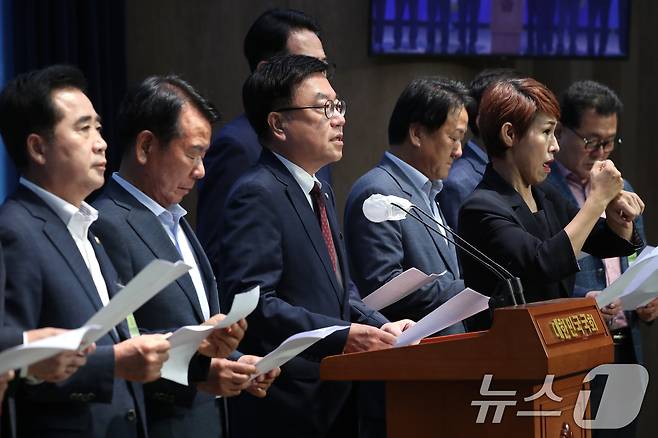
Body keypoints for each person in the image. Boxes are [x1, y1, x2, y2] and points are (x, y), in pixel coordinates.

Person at [218, 54, 413, 438]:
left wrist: (382, 328)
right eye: (324, 108)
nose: (339, 118)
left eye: (338, 106)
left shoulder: (315, 188)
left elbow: (334, 291)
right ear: (278, 123)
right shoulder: (257, 193)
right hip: (287, 403)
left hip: (333, 398)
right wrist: (343, 335)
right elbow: (254, 305)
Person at [92, 75, 279, 437]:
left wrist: (239, 362)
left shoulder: (175, 217)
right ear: (146, 146)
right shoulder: (107, 223)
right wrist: (203, 369)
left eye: (204, 155)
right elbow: (119, 344)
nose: (201, 170)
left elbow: (197, 326)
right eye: (193, 152)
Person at [0, 65, 171, 437]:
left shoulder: (89, 230)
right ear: (37, 147)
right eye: (83, 129)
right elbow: (13, 367)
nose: (101, 142)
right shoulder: (15, 232)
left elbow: (119, 335)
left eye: (98, 127)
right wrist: (111, 364)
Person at [458, 77, 643, 329]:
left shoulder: (545, 193)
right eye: (546, 132)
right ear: (510, 134)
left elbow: (605, 241)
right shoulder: (480, 207)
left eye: (554, 133)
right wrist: (598, 199)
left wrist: (617, 213)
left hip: (555, 344)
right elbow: (542, 263)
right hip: (509, 355)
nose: (555, 146)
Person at [549, 80, 656, 438]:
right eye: (591, 141)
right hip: (571, 349)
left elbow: (639, 261)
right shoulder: (544, 193)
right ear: (560, 132)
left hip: (625, 346)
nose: (600, 153)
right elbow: (544, 267)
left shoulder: (625, 192)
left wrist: (650, 298)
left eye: (609, 142)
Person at [197, 8, 330, 277]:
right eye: (306, 65)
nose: (320, 76)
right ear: (265, 71)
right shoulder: (236, 146)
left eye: (323, 66)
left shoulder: (316, 143)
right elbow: (219, 255)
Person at [345, 76, 470, 327]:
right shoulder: (377, 192)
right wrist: (470, 292)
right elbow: (385, 288)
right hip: (412, 353)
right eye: (453, 138)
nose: (459, 151)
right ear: (417, 134)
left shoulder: (430, 190)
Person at [439, 68, 519, 230]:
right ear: (483, 121)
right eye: (516, 114)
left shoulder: (520, 171)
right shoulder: (458, 183)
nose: (525, 124)